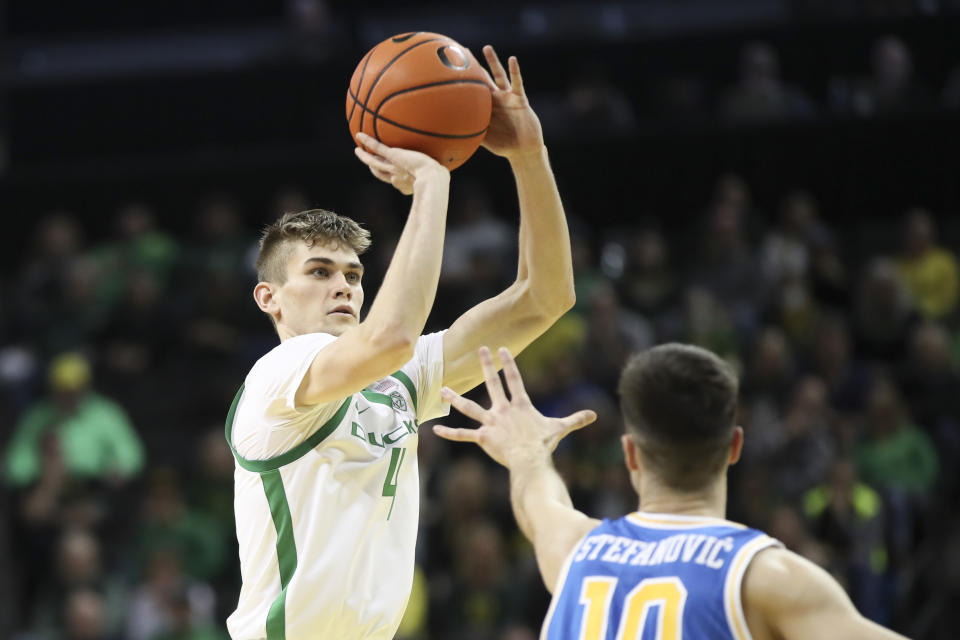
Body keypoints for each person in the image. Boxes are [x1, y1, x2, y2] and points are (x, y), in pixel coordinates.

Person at [224, 45, 576, 640]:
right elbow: (390, 337)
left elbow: (546, 297)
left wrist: (529, 157)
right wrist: (432, 185)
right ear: (269, 299)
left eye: (353, 275)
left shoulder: (398, 383)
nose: (343, 287)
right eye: (319, 272)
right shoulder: (277, 376)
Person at [434, 345, 907, 639]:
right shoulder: (767, 578)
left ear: (631, 454)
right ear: (735, 447)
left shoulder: (574, 552)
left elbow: (537, 497)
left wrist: (527, 450)